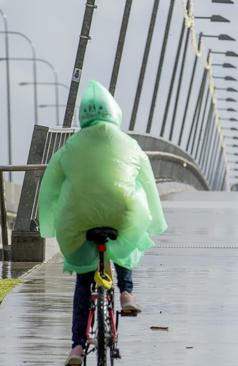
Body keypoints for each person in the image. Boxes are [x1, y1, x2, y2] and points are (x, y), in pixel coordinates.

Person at [38, 80, 167, 365]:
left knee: (85, 280)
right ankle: (126, 292)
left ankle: (76, 347)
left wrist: (46, 223)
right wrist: (155, 221)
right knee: (125, 239)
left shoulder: (70, 147)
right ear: (114, 114)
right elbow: (148, 186)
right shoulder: (130, 144)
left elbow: (49, 188)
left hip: (79, 221)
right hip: (122, 216)